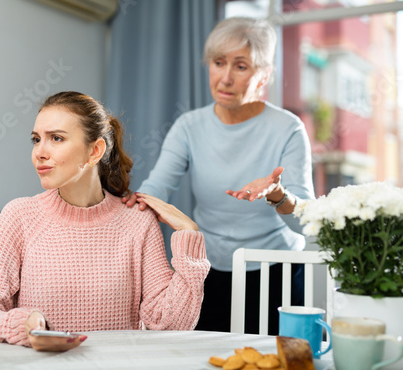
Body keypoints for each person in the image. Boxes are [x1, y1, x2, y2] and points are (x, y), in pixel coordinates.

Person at [0, 91, 210, 352]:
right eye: (36, 140)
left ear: (95, 151)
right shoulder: (20, 216)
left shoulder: (138, 224)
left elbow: (171, 326)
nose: (40, 152)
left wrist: (188, 235)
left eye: (56, 138)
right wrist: (19, 325)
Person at [123, 17, 314, 334]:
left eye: (241, 67)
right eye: (218, 62)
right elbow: (158, 187)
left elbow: (305, 221)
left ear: (264, 74)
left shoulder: (288, 128)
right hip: (207, 270)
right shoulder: (189, 126)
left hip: (275, 272)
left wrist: (278, 195)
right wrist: (128, 205)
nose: (225, 78)